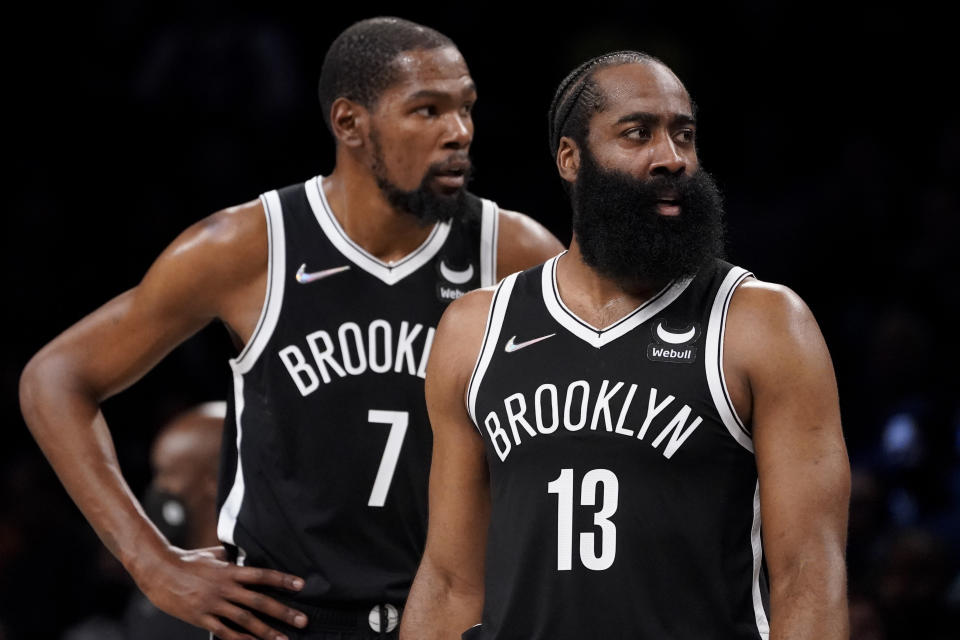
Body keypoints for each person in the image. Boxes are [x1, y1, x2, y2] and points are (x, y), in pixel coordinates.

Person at [18, 17, 562, 640]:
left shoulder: (511, 251)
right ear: (350, 123)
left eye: (466, 107)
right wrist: (151, 563)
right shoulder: (250, 247)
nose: (459, 132)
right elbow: (55, 378)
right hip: (288, 623)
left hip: (453, 621)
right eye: (427, 111)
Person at [400, 51, 851, 640]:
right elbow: (450, 580)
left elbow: (809, 577)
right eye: (638, 133)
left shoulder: (762, 321)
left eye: (684, 136)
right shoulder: (475, 329)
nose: (671, 158)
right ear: (570, 158)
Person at [125, 402, 226, 640]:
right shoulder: (156, 579)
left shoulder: (249, 581)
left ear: (214, 481)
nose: (158, 488)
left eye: (166, 473)